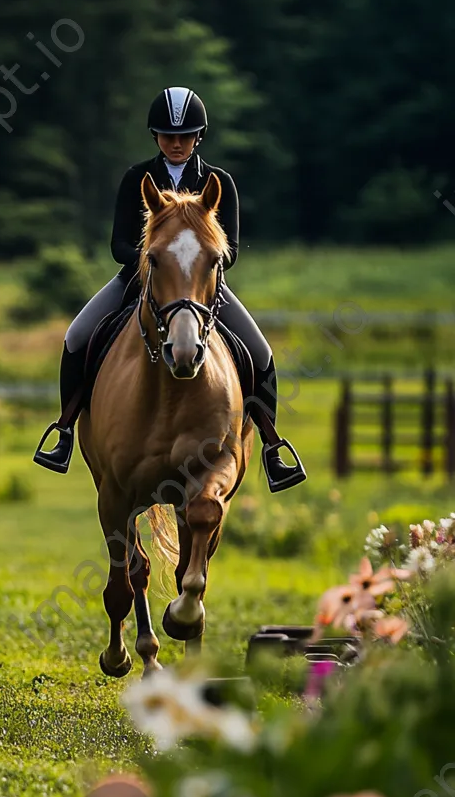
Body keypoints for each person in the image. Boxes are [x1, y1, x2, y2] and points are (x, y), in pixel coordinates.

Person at [32, 86, 305, 493]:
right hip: (140, 277)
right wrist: (157, 257)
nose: (176, 144)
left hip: (200, 285)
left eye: (184, 136)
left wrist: (190, 261)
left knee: (261, 354)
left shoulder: (220, 183)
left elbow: (227, 253)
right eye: (167, 136)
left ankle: (271, 446)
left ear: (199, 137)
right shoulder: (136, 179)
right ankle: (65, 430)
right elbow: (118, 246)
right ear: (155, 137)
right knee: (76, 338)